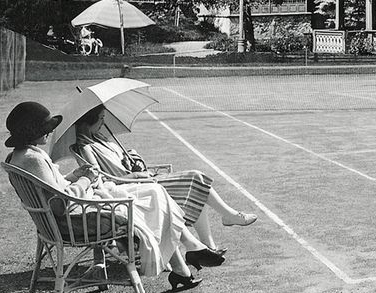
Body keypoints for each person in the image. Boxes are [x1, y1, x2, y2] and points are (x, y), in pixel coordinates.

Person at [3, 101, 221, 290]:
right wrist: (85, 180)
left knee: (154, 193)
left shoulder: (22, 156)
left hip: (63, 218)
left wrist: (75, 175)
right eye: (45, 128)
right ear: (32, 132)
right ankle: (186, 258)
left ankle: (184, 264)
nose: (49, 132)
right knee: (153, 195)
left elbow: (52, 188)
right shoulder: (34, 159)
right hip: (76, 220)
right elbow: (60, 203)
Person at [73, 105, 257, 262]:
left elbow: (122, 165)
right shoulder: (86, 147)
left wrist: (133, 162)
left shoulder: (101, 139)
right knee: (195, 177)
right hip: (135, 187)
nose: (104, 123)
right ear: (89, 121)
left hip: (142, 179)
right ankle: (229, 217)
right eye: (101, 119)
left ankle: (208, 245)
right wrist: (135, 176)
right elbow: (101, 179)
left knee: (195, 186)